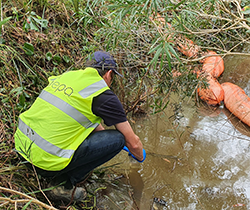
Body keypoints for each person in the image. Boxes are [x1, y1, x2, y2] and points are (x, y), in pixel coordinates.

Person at [14, 51, 146, 201]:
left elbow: (84, 118)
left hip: (21, 148)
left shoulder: (67, 76)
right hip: (44, 163)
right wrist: (140, 157)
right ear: (109, 74)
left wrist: (104, 143)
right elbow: (132, 143)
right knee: (119, 139)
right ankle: (63, 184)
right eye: (112, 78)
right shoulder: (102, 93)